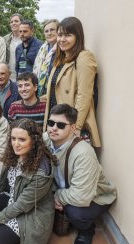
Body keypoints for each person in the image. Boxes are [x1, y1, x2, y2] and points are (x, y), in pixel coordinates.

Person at [0, 118, 56, 244]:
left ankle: (21, 237)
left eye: (22, 139)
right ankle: (8, 231)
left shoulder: (41, 172)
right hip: (13, 199)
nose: (16, 144)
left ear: (33, 141)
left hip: (31, 213)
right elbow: (2, 185)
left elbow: (22, 206)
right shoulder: (14, 155)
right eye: (13, 138)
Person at [44, 104, 116, 244]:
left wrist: (56, 197)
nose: (53, 128)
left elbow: (81, 197)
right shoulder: (46, 139)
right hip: (66, 189)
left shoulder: (83, 153)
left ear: (72, 128)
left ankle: (87, 230)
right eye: (51, 123)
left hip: (95, 196)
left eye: (61, 125)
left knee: (76, 213)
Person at [43, 17, 101, 147]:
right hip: (56, 123)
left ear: (78, 36)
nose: (62, 39)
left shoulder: (84, 57)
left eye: (68, 35)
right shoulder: (61, 58)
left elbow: (84, 95)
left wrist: (76, 127)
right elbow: (55, 90)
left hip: (70, 125)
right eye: (60, 35)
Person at [32, 19, 59, 97]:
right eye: (46, 31)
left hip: (54, 91)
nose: (49, 33)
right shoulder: (42, 48)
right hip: (41, 91)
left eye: (52, 30)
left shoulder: (62, 49)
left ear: (58, 31)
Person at [3, 13, 23, 81]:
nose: (13, 23)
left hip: (23, 75)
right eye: (11, 22)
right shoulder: (4, 39)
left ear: (22, 23)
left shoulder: (27, 39)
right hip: (8, 76)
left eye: (16, 21)